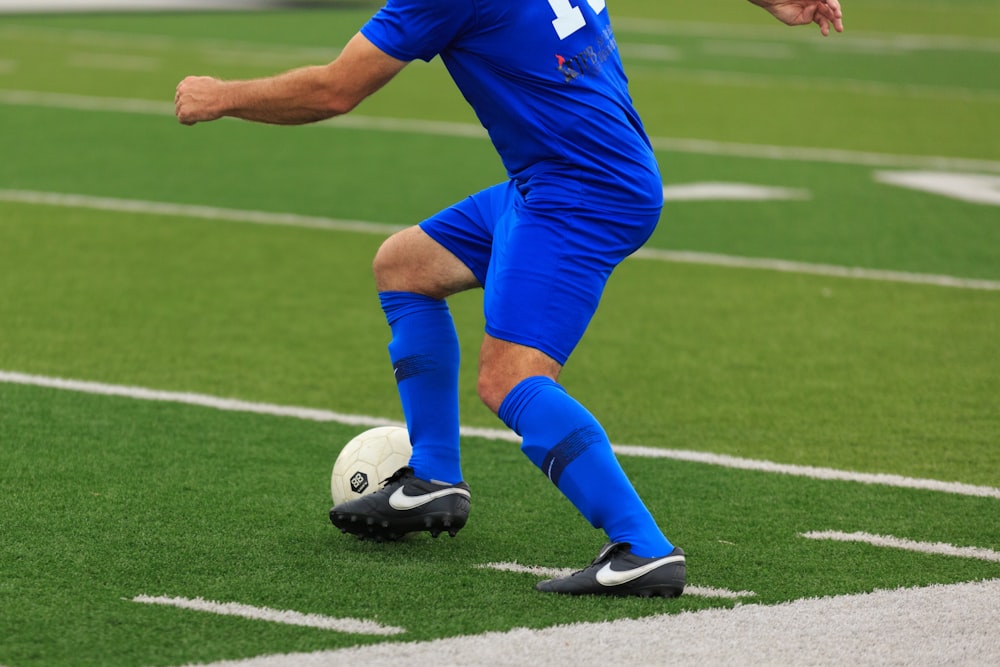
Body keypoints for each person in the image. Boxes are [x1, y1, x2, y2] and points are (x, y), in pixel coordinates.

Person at [175, 0, 844, 597]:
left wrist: (221, 95)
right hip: (557, 179)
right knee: (404, 266)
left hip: (580, 189)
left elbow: (334, 90)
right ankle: (433, 476)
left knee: (508, 378)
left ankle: (641, 547)